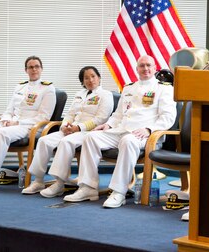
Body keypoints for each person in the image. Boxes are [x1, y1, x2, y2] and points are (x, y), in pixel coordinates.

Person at [63, 55, 177, 208]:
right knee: (91, 137)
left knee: (128, 140)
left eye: (149, 65)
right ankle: (88, 187)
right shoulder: (129, 88)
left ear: (154, 68)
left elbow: (168, 117)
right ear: (137, 69)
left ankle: (119, 192)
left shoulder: (164, 88)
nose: (145, 69)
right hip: (121, 130)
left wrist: (149, 129)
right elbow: (118, 114)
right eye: (142, 66)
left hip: (145, 135)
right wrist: (108, 125)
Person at [22, 66, 113, 197]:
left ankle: (59, 183)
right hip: (71, 129)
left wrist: (79, 128)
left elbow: (100, 119)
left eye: (93, 76)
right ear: (82, 81)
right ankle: (38, 180)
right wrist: (64, 126)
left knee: (66, 142)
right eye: (86, 78)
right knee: (43, 141)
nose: (90, 80)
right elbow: (70, 114)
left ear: (99, 78)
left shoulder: (106, 95)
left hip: (89, 132)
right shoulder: (79, 94)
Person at [0, 56, 56, 191]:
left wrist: (17, 122)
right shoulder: (19, 87)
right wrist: (6, 120)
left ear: (41, 69)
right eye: (30, 67)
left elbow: (44, 117)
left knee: (1, 133)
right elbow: (9, 109)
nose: (34, 69)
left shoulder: (48, 89)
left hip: (29, 127)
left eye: (36, 66)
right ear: (26, 70)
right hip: (13, 124)